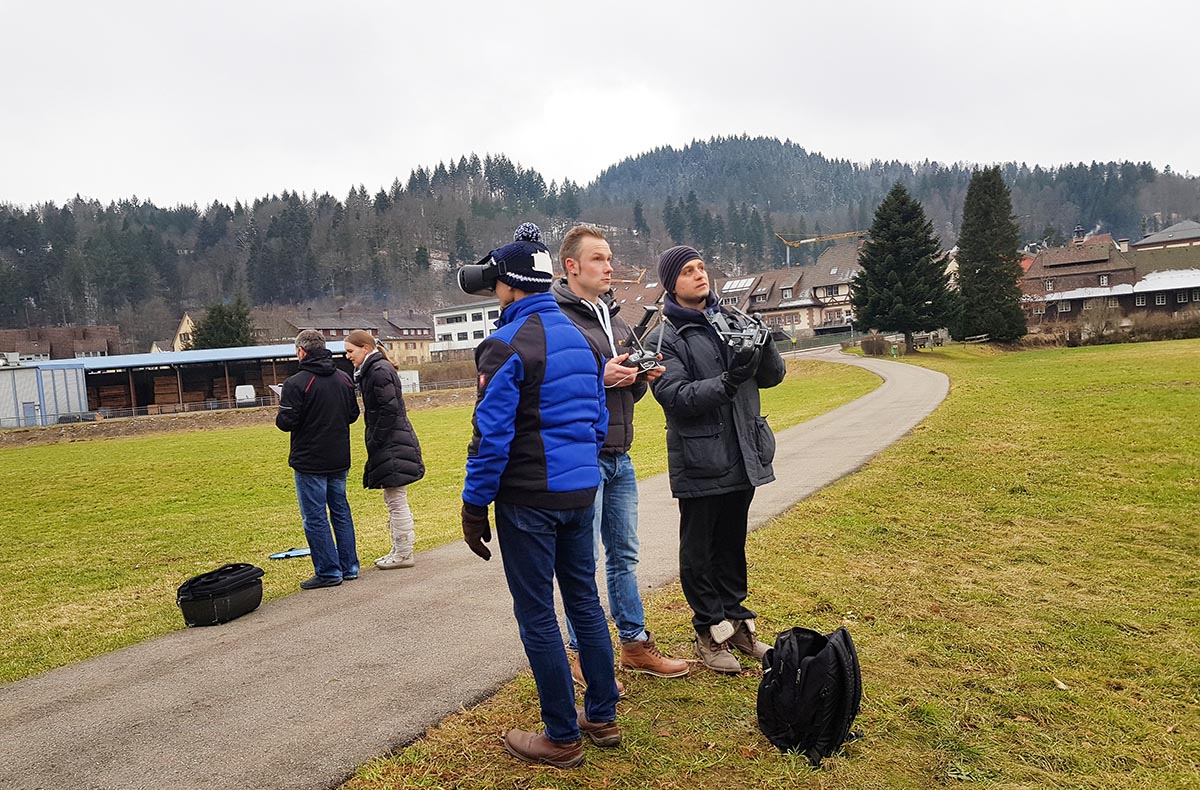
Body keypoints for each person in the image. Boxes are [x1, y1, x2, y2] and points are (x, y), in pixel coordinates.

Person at [459, 223, 620, 768]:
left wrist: (473, 504)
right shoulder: (582, 336)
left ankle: (560, 736)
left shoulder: (505, 344)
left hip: (528, 498)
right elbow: (597, 420)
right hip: (581, 492)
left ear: (507, 285)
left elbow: (491, 435)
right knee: (584, 603)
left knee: (537, 616)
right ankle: (602, 715)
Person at [552, 225, 689, 682]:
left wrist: (638, 379)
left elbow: (623, 399)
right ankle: (577, 651)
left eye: (609, 258)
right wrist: (600, 379)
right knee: (582, 560)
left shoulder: (618, 321)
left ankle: (634, 644)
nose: (610, 267)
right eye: (598, 259)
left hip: (620, 455)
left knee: (625, 554)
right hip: (581, 458)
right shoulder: (557, 321)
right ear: (571, 266)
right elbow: (554, 391)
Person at [649, 245, 787, 673]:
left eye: (701, 268)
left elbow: (773, 377)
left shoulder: (736, 320)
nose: (699, 275)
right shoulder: (665, 335)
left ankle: (739, 623)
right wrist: (729, 380)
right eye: (688, 271)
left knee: (732, 544)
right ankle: (709, 630)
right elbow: (674, 396)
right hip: (701, 458)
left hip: (744, 451)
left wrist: (760, 347)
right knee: (700, 550)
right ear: (672, 283)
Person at [275, 329, 361, 590]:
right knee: (340, 511)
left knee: (314, 517)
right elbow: (353, 414)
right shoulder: (344, 378)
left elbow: (286, 422)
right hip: (338, 456)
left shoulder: (296, 383)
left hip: (310, 460)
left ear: (301, 352)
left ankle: (328, 570)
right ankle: (350, 566)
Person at [344, 330, 424, 570]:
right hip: (390, 440)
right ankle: (400, 549)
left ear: (365, 349)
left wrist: (377, 439)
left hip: (391, 443)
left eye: (350, 351)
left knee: (395, 499)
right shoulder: (373, 371)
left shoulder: (378, 372)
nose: (347, 356)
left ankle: (403, 553)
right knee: (393, 497)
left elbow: (388, 409)